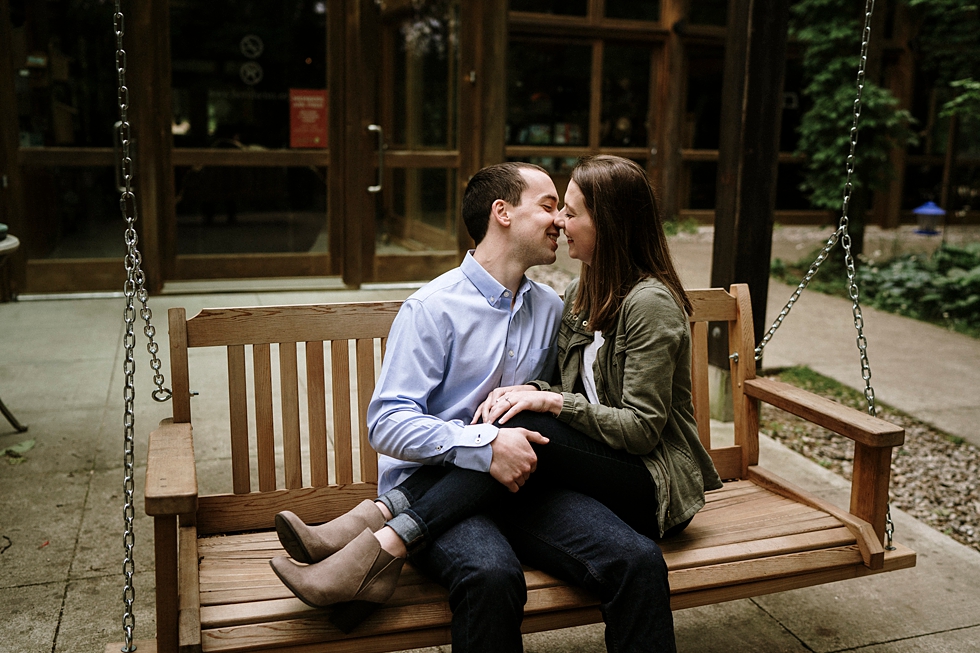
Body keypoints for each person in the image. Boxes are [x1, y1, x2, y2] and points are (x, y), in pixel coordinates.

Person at [270, 158, 713, 650]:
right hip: (443, 491)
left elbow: (582, 406)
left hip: (527, 480)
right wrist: (484, 446)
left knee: (637, 559)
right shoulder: (433, 308)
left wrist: (534, 415)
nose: (559, 221)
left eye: (567, 211)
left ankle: (378, 530)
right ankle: (377, 544)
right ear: (502, 212)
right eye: (550, 207)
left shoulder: (555, 306)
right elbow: (388, 425)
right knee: (492, 575)